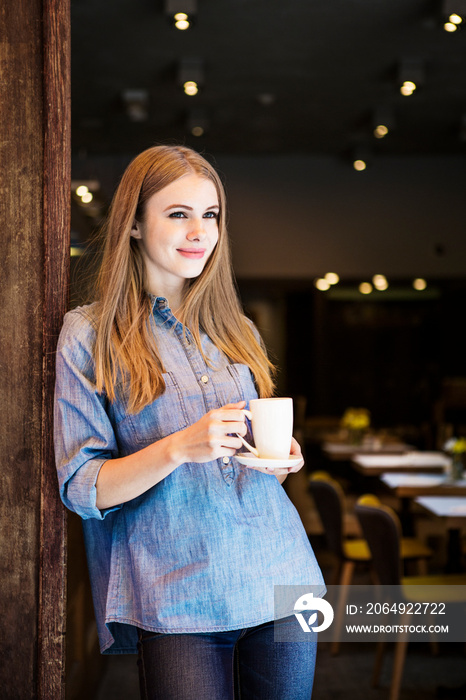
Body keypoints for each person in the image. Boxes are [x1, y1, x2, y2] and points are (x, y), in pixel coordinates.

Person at [54, 144, 325, 699]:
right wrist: (179, 446)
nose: (199, 231)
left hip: (282, 576)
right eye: (178, 214)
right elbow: (82, 487)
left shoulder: (237, 331)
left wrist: (278, 459)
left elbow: (247, 459)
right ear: (133, 224)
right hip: (177, 594)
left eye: (211, 215)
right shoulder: (88, 334)